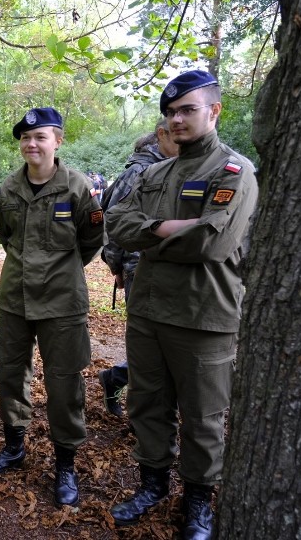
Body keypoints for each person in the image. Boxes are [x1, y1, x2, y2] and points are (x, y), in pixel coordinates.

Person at [105, 70, 258, 540]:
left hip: (203, 317)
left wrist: (149, 232)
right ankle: (152, 483)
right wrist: (165, 229)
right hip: (149, 312)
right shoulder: (154, 173)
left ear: (214, 111)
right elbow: (117, 223)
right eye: (170, 112)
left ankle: (197, 502)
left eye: (187, 109)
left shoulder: (235, 171)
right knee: (147, 405)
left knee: (203, 417)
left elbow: (212, 242)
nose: (175, 119)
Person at [0, 108, 103, 508]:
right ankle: (15, 447)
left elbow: (91, 240)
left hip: (63, 302)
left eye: (41, 137)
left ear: (58, 141)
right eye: (26, 138)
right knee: (10, 374)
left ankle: (65, 463)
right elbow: (8, 235)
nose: (32, 144)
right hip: (16, 297)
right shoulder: (11, 187)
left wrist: (60, 270)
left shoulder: (78, 188)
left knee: (65, 383)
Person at [97, 118, 179, 417]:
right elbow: (115, 221)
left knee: (164, 346)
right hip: (139, 268)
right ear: (160, 137)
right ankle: (142, 412)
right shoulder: (139, 173)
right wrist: (116, 265)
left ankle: (121, 379)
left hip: (163, 270)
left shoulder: (173, 167)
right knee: (151, 346)